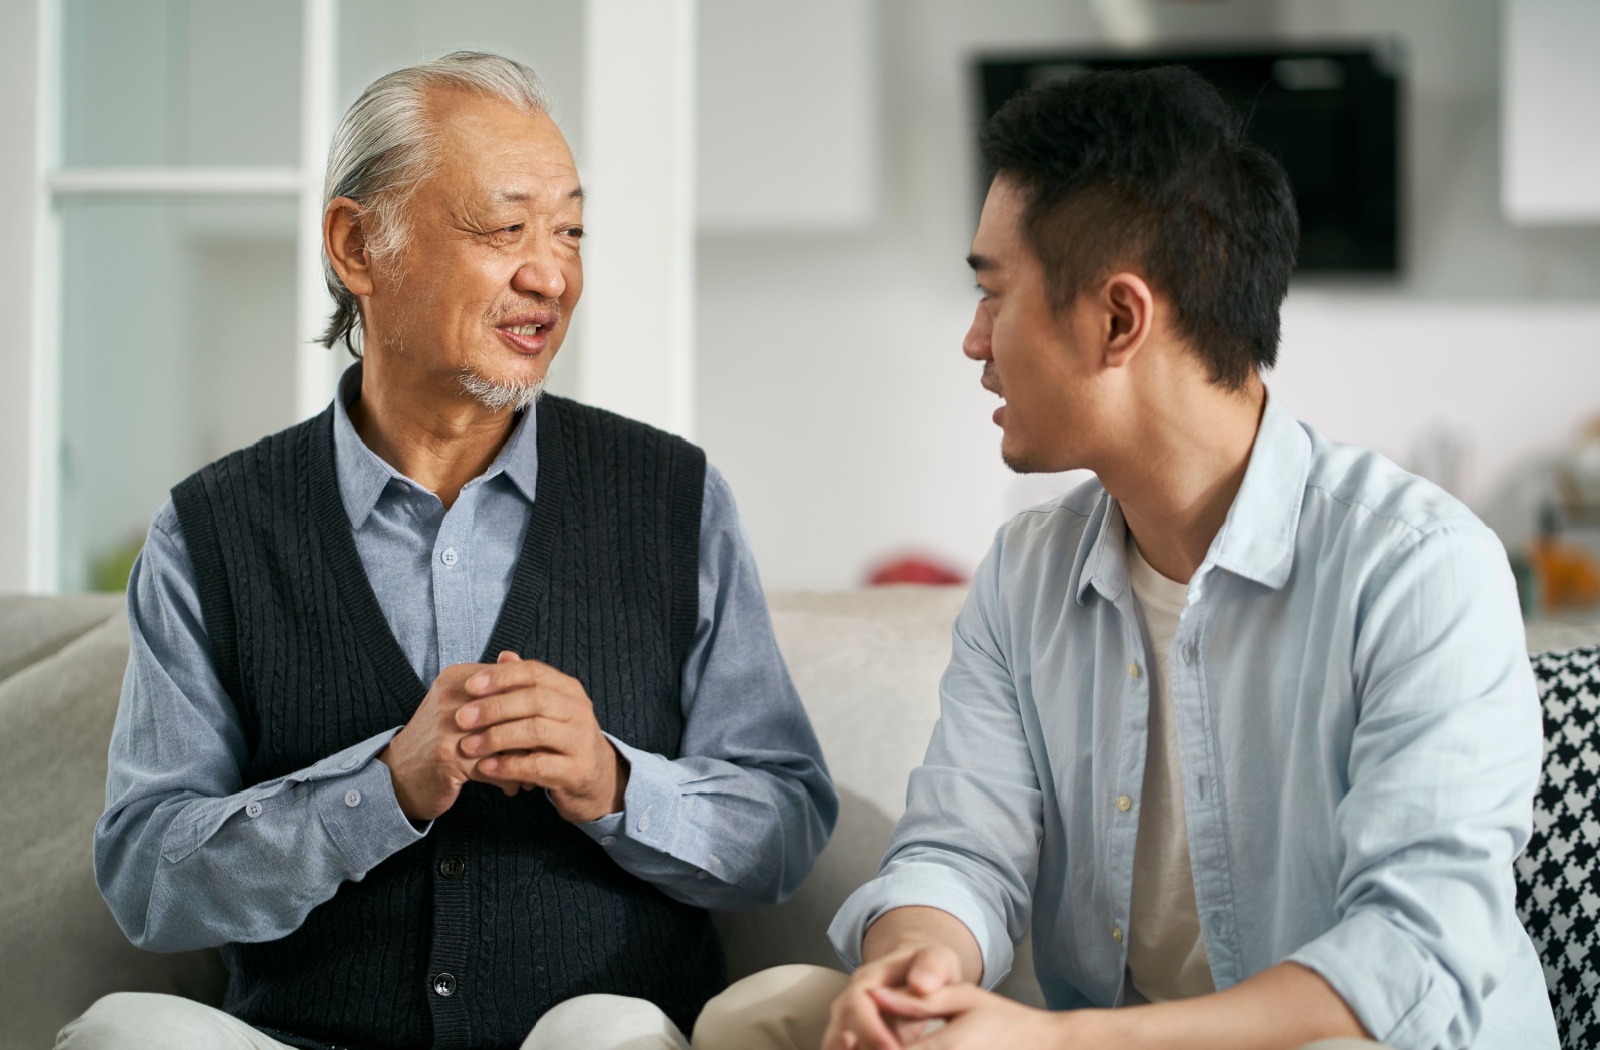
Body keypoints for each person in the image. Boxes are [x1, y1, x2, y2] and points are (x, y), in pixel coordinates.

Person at [699, 66, 1560, 1050]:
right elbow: (958, 854)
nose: (973, 341)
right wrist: (914, 975)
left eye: (992, 292)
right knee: (760, 1019)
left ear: (1117, 320)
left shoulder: (1421, 569)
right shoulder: (1026, 574)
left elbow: (1411, 956)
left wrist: (1056, 1044)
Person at [57, 52, 836, 1050]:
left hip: (586, 1039)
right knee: (124, 1033)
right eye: (504, 227)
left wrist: (612, 781)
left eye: (569, 230)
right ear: (356, 247)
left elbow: (783, 825)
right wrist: (376, 788)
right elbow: (149, 880)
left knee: (606, 1033)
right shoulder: (210, 531)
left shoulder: (673, 499)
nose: (551, 274)